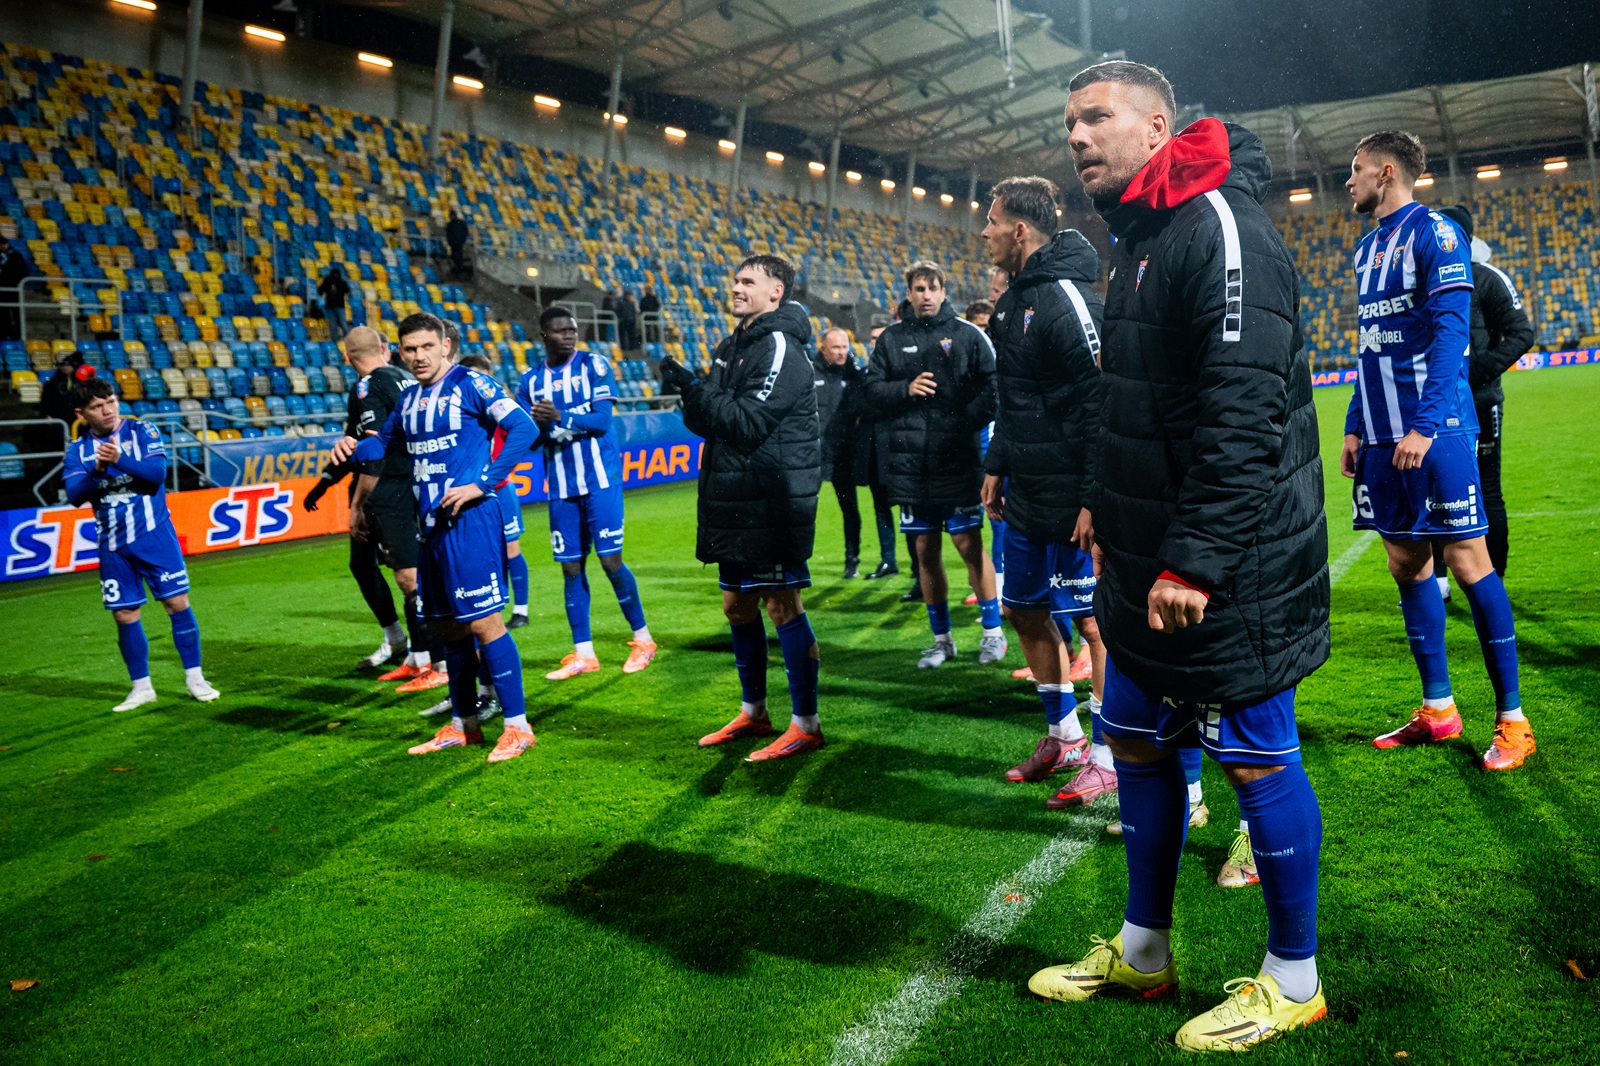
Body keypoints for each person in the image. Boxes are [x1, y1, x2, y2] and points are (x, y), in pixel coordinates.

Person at [1028, 62, 1331, 1050]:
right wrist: (1097, 506)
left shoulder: (1220, 230)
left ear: (1157, 125)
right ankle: (1145, 950)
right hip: (1138, 561)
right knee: (1140, 743)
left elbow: (1241, 412)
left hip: (1224, 567)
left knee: (1254, 758)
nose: (1075, 136)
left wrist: (1194, 559)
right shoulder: (1145, 236)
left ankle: (1293, 976)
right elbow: (1129, 404)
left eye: (1095, 117)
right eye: (1067, 122)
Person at [1343, 131, 1532, 771]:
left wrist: (1425, 424)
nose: (1350, 181)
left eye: (1358, 170)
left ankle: (1513, 720)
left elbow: (1452, 334)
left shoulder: (1438, 235)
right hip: (1380, 432)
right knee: (1404, 562)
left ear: (1387, 172)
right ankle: (1439, 708)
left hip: (1437, 428)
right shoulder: (1368, 247)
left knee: (1469, 560)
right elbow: (1371, 342)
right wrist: (1354, 422)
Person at [330, 312, 539, 762]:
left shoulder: (472, 384)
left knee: (485, 623)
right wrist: (349, 446)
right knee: (448, 628)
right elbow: (380, 445)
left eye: (427, 346)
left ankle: (518, 727)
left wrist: (483, 482)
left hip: (471, 522)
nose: (419, 356)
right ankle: (464, 725)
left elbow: (524, 427)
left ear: (446, 345)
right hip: (430, 527)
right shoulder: (408, 400)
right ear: (399, 353)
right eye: (410, 349)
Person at [659, 254, 825, 761]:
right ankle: (754, 712)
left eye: (747, 281)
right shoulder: (732, 346)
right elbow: (712, 421)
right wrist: (693, 395)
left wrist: (694, 388)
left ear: (776, 292)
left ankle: (806, 723)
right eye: (734, 279)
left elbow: (748, 423)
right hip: (734, 495)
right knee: (736, 606)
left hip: (771, 498)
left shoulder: (779, 346)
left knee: (781, 604)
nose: (735, 287)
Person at [976, 176, 1109, 804]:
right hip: (1027, 491)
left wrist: (1093, 496)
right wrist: (998, 463)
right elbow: (1014, 397)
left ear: (1020, 230)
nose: (985, 233)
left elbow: (1099, 402)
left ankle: (1108, 754)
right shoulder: (1010, 302)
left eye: (992, 221)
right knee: (1022, 608)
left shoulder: (1065, 298)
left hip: (1073, 496)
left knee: (1094, 623)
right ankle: (1065, 735)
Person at [862, 260, 1001, 669]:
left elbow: (992, 386)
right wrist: (904, 388)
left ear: (944, 292)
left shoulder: (967, 335)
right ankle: (942, 641)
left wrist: (963, 422)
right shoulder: (891, 339)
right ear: (908, 293)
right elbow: (870, 389)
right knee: (924, 550)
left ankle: (992, 633)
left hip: (956, 459)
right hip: (910, 465)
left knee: (969, 546)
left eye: (932, 288)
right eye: (918, 288)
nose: (925, 295)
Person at [63, 376, 221, 712]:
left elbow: (155, 475)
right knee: (124, 614)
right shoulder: (77, 450)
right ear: (82, 413)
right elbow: (76, 496)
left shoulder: (141, 431)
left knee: (176, 603)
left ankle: (195, 679)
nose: (107, 411)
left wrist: (118, 460)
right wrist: (99, 470)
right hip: (112, 544)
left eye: (111, 402)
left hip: (154, 534)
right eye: (97, 406)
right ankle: (142, 688)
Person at [516, 306, 657, 678]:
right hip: (561, 488)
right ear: (544, 336)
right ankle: (584, 654)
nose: (569, 335)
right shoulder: (529, 381)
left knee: (611, 562)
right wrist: (534, 425)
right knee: (570, 568)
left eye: (573, 329)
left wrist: (560, 416)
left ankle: (643, 639)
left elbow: (602, 421)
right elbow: (528, 440)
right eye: (561, 331)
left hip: (600, 481)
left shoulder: (593, 366)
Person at [304, 327, 439, 688]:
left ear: (346, 358)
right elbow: (355, 443)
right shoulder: (407, 379)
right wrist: (325, 482)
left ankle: (426, 658)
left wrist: (356, 507)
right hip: (413, 482)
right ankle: (405, 646)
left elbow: (373, 453)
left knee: (408, 576)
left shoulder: (367, 387)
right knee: (363, 564)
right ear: (387, 349)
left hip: (387, 489)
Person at [1429, 204, 1534, 593]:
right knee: (1436, 486)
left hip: (1480, 400)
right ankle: (1439, 575)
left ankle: (1496, 577)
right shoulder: (1424, 279)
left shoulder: (1487, 279)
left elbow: (1522, 333)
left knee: (1487, 487)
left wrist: (1478, 370)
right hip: (1436, 404)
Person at [814, 327, 895, 579]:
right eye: (836, 347)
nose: (841, 352)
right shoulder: (809, 374)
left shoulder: (856, 376)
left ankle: (852, 560)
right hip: (814, 455)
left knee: (850, 509)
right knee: (803, 511)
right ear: (823, 348)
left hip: (844, 455)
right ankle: (795, 562)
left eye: (845, 347)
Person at [0, 233, 28, 341]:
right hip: (2, 290)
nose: (2, 246)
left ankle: (18, 335)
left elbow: (23, 270)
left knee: (16, 313)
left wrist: (16, 281)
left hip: (13, 288)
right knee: (3, 313)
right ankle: (4, 334)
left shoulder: (16, 255)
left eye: (4, 244)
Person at [317, 266, 351, 339]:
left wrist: (325, 293)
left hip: (330, 306)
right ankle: (348, 339)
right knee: (343, 324)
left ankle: (335, 342)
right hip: (339, 306)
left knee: (333, 325)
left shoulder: (327, 280)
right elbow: (347, 290)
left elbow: (320, 291)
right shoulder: (341, 281)